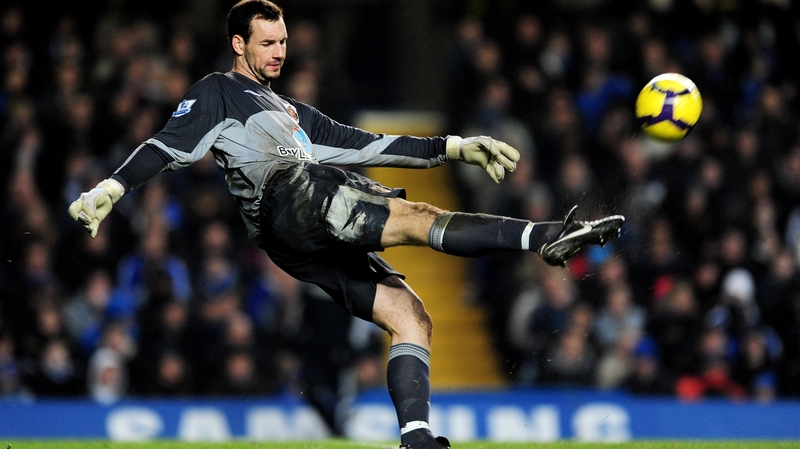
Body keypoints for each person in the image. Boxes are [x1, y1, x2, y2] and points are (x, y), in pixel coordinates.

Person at [68, 1, 624, 447]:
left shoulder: (293, 113)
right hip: (287, 196)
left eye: (283, 41)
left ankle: (416, 437)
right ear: (239, 44)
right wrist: (110, 189)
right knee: (416, 218)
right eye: (267, 42)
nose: (280, 51)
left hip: (293, 240)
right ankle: (544, 236)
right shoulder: (218, 91)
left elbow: (367, 144)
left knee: (410, 316)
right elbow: (167, 144)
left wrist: (453, 146)